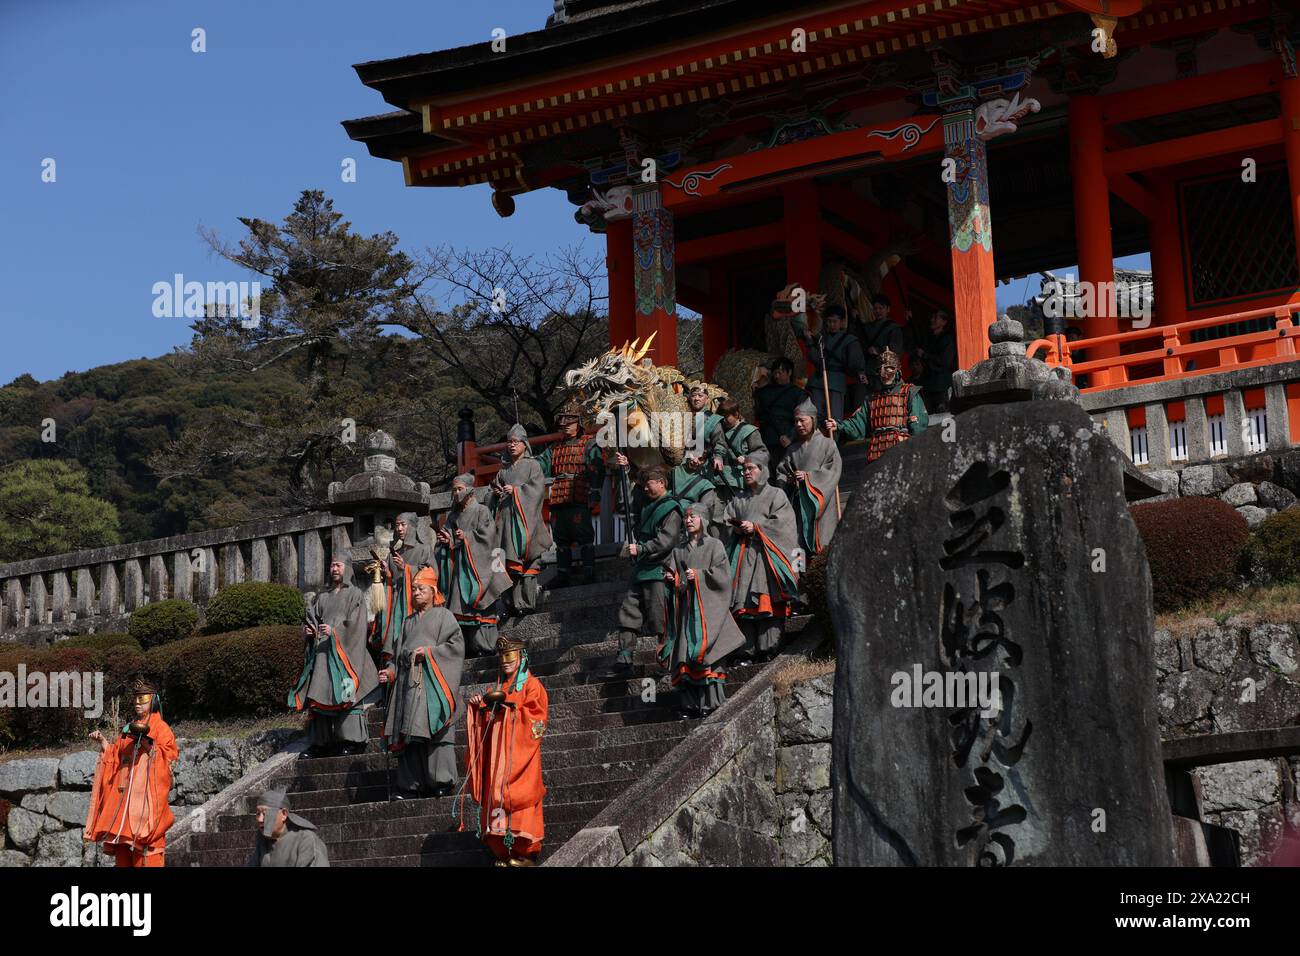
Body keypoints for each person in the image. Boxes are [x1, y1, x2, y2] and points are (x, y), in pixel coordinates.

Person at [464, 636, 549, 866]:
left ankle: (525, 855)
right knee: (496, 800)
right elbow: (486, 724)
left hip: (520, 757)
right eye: (502, 657)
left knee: (521, 801)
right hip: (497, 761)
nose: (505, 661)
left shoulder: (532, 686)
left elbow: (537, 720)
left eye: (510, 656)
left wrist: (512, 710)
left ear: (521, 657)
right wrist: (479, 707)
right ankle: (503, 853)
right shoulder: (496, 689)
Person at [381, 566, 464, 799]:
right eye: (414, 589)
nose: (416, 593)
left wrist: (429, 653)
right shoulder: (407, 622)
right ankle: (411, 785)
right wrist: (390, 671)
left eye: (421, 589)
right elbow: (397, 656)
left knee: (437, 734)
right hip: (408, 685)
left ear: (433, 591)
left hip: (434, 683)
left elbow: (455, 647)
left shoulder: (444, 616)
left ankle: (442, 780)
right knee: (409, 736)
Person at [290, 555, 382, 758]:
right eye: (332, 565)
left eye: (338, 565)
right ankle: (320, 743)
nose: (334, 569)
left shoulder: (355, 594)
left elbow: (357, 625)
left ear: (347, 569)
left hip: (347, 655)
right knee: (319, 697)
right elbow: (312, 618)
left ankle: (352, 740)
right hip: (323, 655)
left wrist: (336, 632)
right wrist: (310, 631)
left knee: (347, 696)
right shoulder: (323, 597)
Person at [83, 676, 179, 867]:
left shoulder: (162, 729)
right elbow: (116, 756)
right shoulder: (127, 729)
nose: (137, 703)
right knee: (123, 855)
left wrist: (149, 746)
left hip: (144, 806)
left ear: (153, 700)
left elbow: (168, 759)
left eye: (142, 698)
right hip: (122, 807)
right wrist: (104, 743)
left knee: (147, 856)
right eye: (135, 698)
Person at [661, 502, 745, 719]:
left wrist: (698, 576)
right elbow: (674, 577)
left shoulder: (715, 546)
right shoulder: (679, 550)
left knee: (709, 655)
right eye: (686, 517)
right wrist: (674, 578)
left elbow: (724, 577)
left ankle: (712, 702)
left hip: (710, 611)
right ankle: (689, 705)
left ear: (704, 520)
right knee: (684, 656)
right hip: (688, 611)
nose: (688, 520)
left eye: (693, 517)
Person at [724, 450, 799, 665]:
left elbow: (784, 526)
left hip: (765, 558)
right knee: (743, 605)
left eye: (750, 468)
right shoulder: (739, 498)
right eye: (744, 469)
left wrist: (757, 527)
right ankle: (745, 653)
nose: (746, 472)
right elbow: (725, 521)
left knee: (766, 603)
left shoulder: (776, 495)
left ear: (762, 470)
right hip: (741, 557)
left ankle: (770, 648)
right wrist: (736, 528)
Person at [609, 464, 682, 675]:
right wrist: (623, 470)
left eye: (649, 484)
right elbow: (626, 503)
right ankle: (624, 659)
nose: (646, 489)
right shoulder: (645, 504)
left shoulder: (671, 509)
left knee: (660, 618)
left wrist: (641, 548)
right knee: (628, 612)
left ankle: (667, 660)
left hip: (659, 567)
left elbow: (665, 541)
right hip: (641, 568)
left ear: (661, 483)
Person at [437, 472, 513, 658]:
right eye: (454, 490)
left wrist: (468, 538)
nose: (456, 493)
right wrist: (447, 541)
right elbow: (449, 541)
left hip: (478, 569)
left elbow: (488, 537)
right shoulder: (452, 516)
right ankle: (466, 648)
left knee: (480, 610)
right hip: (459, 570)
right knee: (458, 610)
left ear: (470, 490)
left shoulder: (481, 511)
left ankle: (484, 645)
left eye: (459, 489)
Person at [538, 400, 605, 587]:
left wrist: (595, 492)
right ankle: (562, 575)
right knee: (561, 539)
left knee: (584, 536)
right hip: (559, 497)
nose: (565, 425)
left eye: (570, 421)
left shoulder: (589, 444)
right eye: (563, 422)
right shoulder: (554, 447)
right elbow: (541, 466)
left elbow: (597, 470)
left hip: (579, 495)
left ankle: (589, 571)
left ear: (579, 423)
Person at [491, 424, 554, 622]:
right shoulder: (503, 470)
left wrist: (517, 491)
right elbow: (492, 489)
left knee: (527, 566)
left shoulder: (533, 465)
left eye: (516, 442)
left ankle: (527, 603)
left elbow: (536, 491)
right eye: (509, 442)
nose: (512, 445)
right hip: (507, 524)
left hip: (527, 523)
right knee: (509, 567)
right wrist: (495, 493)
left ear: (524, 444)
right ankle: (512, 604)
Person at [827, 346, 928, 463]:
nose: (884, 373)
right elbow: (858, 423)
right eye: (880, 369)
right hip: (877, 452)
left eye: (888, 368)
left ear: (897, 370)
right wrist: (839, 425)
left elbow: (918, 428)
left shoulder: (909, 392)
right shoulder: (872, 399)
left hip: (902, 450)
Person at [775, 397, 843, 557]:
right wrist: (789, 480)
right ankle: (798, 580)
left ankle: (820, 579)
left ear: (813, 420)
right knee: (797, 546)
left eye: (802, 420)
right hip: (798, 506)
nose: (798, 425)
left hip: (820, 504)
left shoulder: (828, 444)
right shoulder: (792, 449)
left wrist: (808, 478)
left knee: (822, 545)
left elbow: (832, 472)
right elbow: (781, 473)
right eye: (796, 421)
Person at [371, 511, 437, 657]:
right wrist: (387, 572)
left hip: (413, 603)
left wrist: (407, 568)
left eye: (403, 525)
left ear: (412, 527)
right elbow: (391, 579)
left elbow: (432, 574)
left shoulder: (424, 549)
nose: (399, 529)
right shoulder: (394, 554)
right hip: (395, 603)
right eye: (397, 525)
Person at [806, 304, 867, 422]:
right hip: (819, 381)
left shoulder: (850, 340)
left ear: (842, 321)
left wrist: (860, 372)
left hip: (837, 381)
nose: (831, 325)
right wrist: (809, 342)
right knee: (815, 416)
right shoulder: (821, 339)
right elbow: (815, 360)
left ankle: (834, 440)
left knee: (834, 418)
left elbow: (855, 362)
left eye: (834, 321)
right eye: (829, 321)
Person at [248, 789, 329, 867]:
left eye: (265, 813)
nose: (260, 819)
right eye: (258, 814)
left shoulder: (306, 839)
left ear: (284, 814)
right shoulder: (262, 841)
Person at [752, 357, 806, 473]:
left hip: (790, 440)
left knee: (789, 473)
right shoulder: (764, 392)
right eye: (775, 373)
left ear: (789, 372)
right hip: (769, 439)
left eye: (780, 373)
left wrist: (790, 437)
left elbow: (803, 418)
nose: (777, 376)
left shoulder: (798, 393)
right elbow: (760, 414)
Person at [710, 398, 767, 503]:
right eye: (721, 417)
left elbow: (762, 453)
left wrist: (747, 459)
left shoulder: (749, 431)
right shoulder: (718, 430)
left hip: (738, 480)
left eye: (726, 416)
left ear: (736, 414)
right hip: (719, 479)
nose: (723, 420)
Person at [912, 308, 957, 412]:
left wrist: (925, 355)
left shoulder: (947, 340)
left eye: (936, 317)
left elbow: (945, 361)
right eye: (932, 317)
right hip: (927, 384)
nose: (932, 320)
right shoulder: (929, 338)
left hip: (941, 385)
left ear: (944, 322)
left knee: (943, 416)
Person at [860, 294, 906, 392]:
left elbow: (896, 350)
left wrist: (878, 351)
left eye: (881, 308)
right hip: (868, 370)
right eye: (875, 308)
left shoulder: (894, 328)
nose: (878, 311)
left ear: (888, 309)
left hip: (885, 372)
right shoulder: (867, 327)